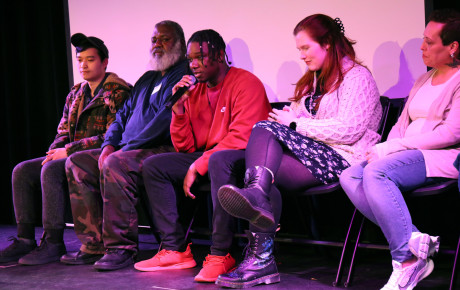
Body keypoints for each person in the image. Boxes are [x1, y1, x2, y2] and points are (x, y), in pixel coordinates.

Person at [215, 14, 382, 288]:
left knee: (264, 133)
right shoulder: (316, 82)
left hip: (342, 158)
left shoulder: (357, 78)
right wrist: (292, 116)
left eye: (305, 48)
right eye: (299, 50)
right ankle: (260, 258)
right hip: (313, 155)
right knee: (230, 160)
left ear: (327, 43)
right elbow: (300, 115)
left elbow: (349, 130)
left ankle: (258, 233)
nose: (302, 55)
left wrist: (295, 124)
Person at [133, 29, 271, 283]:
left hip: (244, 158)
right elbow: (185, 147)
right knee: (154, 166)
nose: (193, 64)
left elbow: (243, 136)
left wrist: (199, 163)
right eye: (190, 58)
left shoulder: (246, 83)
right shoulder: (194, 92)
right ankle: (175, 249)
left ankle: (221, 254)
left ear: (219, 55)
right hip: (209, 157)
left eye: (200, 57)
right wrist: (178, 109)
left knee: (219, 159)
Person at [339, 9, 460, 290]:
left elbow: (452, 132)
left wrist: (395, 147)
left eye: (430, 42)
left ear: (452, 47)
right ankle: (415, 241)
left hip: (442, 157)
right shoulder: (422, 80)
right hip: (406, 156)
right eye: (423, 39)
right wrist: (385, 146)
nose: (422, 47)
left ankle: (405, 261)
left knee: (377, 174)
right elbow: (400, 124)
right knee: (350, 176)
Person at [61, 20, 188, 271]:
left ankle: (121, 248)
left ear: (180, 45)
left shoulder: (184, 75)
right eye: (154, 39)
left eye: (165, 39)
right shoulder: (147, 78)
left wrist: (124, 149)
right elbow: (121, 118)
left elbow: (166, 120)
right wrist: (109, 144)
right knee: (78, 161)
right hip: (128, 148)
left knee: (116, 162)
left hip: (162, 149)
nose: (157, 44)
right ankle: (93, 244)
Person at [0, 33, 130, 265]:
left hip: (96, 157)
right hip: (69, 154)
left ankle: (53, 241)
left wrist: (68, 151)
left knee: (50, 171)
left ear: (105, 62)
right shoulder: (76, 93)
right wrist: (55, 150)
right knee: (22, 170)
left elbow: (112, 135)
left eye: (90, 59)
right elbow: (62, 131)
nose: (83, 65)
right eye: (80, 60)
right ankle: (25, 239)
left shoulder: (118, 92)